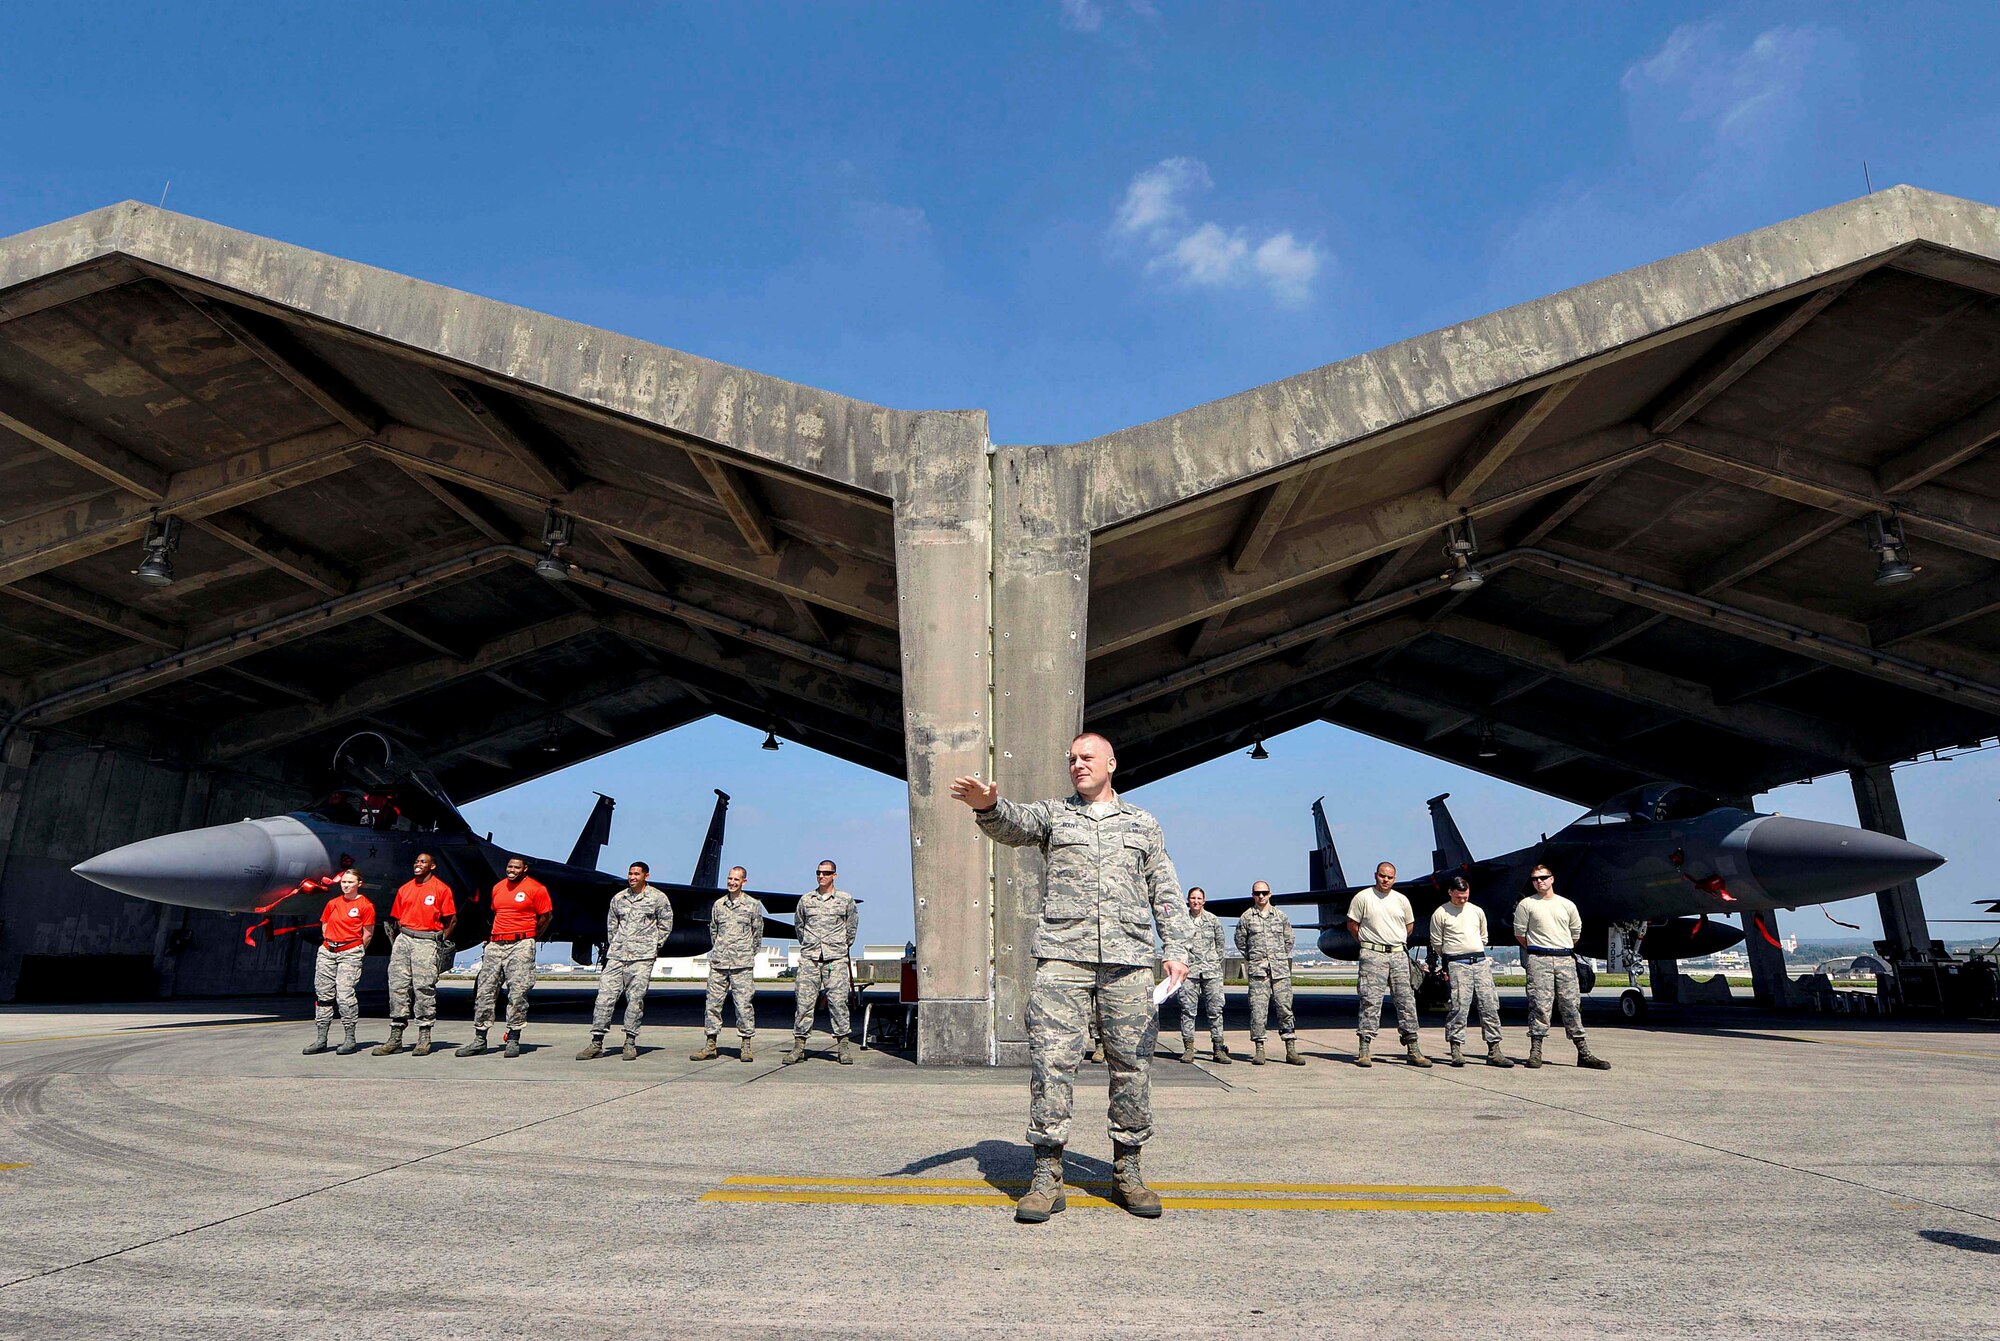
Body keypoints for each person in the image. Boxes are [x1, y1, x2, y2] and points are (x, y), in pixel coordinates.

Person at [951, 731, 1191, 1224]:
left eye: (1087, 757)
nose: (1078, 765)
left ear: (1111, 763)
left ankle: (1127, 1170)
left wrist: (1177, 950)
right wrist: (989, 807)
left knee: (1132, 1066)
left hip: (1127, 960)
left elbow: (1164, 888)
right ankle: (1047, 1174)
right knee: (1052, 1063)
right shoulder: (1054, 816)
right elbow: (1013, 825)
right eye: (1071, 759)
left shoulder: (1143, 824)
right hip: (1063, 958)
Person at [1514, 863, 1611, 1071]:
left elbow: (1575, 933)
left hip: (1565, 959)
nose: (1539, 881)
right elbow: (1520, 934)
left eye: (1543, 877)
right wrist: (1541, 949)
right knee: (1539, 1004)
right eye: (1535, 879)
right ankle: (1535, 1051)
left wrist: (1560, 948)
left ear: (1552, 879)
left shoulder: (1567, 905)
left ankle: (1583, 1053)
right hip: (1539, 959)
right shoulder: (1526, 905)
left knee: (1571, 1005)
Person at [457, 855, 551, 1058]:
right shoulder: (498, 887)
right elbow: (496, 914)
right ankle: (480, 1039)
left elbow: (546, 917)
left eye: (517, 867)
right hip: (496, 943)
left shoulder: (537, 889)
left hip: (521, 944)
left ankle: (514, 1037)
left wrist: (530, 937)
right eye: (509, 866)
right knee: (485, 991)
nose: (512, 870)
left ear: (524, 869)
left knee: (517, 993)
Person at [578, 862, 672, 1061]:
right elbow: (612, 926)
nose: (632, 877)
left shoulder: (658, 898)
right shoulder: (619, 899)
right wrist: (617, 946)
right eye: (630, 873)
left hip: (642, 958)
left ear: (646, 875)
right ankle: (596, 1042)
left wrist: (653, 946)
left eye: (637, 874)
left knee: (635, 1000)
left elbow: (666, 925)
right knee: (604, 998)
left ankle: (630, 1041)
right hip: (617, 956)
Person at [1347, 862, 1430, 1068]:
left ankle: (1413, 1047)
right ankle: (1364, 1048)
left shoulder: (1401, 900)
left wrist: (1394, 942)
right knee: (1370, 1001)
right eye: (1382, 876)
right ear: (1376, 875)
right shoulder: (1363, 898)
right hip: (1372, 955)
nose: (1386, 880)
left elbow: (1409, 927)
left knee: (1406, 1001)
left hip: (1398, 955)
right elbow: (1352, 924)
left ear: (1395, 878)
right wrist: (1368, 944)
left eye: (1390, 877)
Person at [374, 852, 457, 1057]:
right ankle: (396, 1036)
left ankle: (424, 1035)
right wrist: (402, 938)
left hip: (427, 939)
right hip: (404, 938)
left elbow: (451, 920)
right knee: (397, 985)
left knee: (423, 987)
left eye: (423, 862)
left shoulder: (441, 889)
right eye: (416, 861)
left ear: (433, 866)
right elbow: (397, 918)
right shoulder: (405, 889)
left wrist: (438, 940)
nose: (418, 864)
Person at [1428, 875, 1511, 1069]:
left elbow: (1483, 936)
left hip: (1479, 962)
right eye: (1459, 897)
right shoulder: (1441, 913)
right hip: (1458, 964)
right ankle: (1456, 1048)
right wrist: (1452, 957)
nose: (1462, 900)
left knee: (1489, 1005)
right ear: (1450, 893)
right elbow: (1437, 943)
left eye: (1465, 896)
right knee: (1459, 1006)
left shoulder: (1476, 911)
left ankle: (1494, 1049)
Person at [786, 858, 860, 1065]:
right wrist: (810, 946)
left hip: (834, 959)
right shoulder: (806, 900)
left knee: (838, 1003)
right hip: (810, 959)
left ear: (834, 875)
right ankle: (799, 1046)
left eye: (826, 873)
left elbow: (851, 929)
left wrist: (839, 947)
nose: (821, 876)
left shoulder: (845, 900)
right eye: (818, 872)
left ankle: (843, 1046)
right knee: (804, 1003)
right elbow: (799, 926)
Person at [691, 865, 764, 1062]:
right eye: (730, 879)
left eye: (736, 880)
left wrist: (746, 953)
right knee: (712, 1005)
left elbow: (757, 934)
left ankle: (746, 1044)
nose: (732, 883)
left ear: (744, 882)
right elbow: (714, 932)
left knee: (743, 1006)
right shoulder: (719, 905)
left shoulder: (752, 905)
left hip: (742, 964)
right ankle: (710, 1044)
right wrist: (721, 951)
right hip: (719, 963)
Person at [304, 868, 374, 1056]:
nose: (346, 885)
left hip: (349, 952)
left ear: (359, 884)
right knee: (324, 996)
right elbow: (325, 924)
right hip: (328, 951)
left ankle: (349, 1038)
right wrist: (330, 942)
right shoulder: (333, 903)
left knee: (344, 996)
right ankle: (321, 1039)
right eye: (343, 882)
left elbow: (367, 934)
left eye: (350, 882)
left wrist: (355, 950)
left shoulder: (365, 906)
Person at [1234, 882, 1303, 1066]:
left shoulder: (1281, 917)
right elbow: (1241, 942)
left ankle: (1290, 1049)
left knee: (1285, 1009)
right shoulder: (1247, 918)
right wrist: (1255, 958)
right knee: (1258, 1010)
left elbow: (1289, 940)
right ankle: (1259, 1049)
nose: (1261, 896)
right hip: (1258, 972)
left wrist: (1278, 958)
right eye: (1258, 893)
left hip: (1279, 971)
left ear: (1270, 894)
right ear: (1253, 895)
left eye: (1264, 893)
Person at [1177, 887, 1229, 1064]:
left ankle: (1218, 1048)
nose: (1196, 901)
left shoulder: (1212, 920)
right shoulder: (1182, 921)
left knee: (1215, 1010)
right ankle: (1189, 1047)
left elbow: (1220, 945)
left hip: (1211, 971)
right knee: (1188, 1010)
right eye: (1193, 898)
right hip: (1189, 972)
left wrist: (1211, 962)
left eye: (1199, 898)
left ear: (1204, 901)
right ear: (1188, 900)